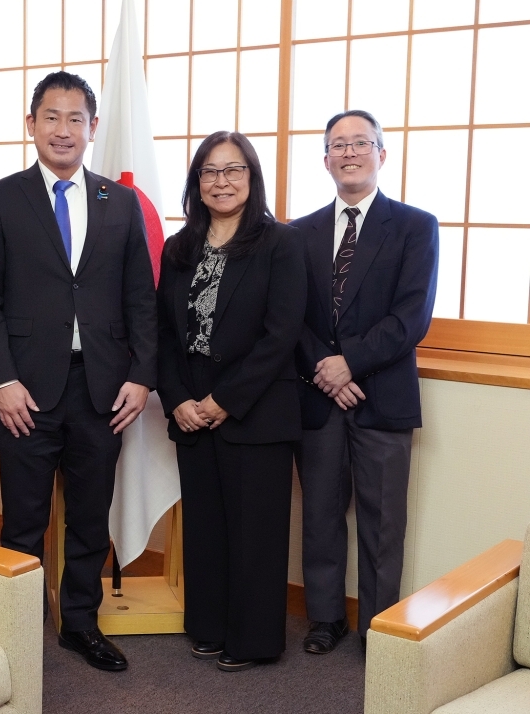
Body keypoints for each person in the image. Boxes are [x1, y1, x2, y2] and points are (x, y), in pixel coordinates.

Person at [0, 71, 157, 671]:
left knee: (88, 517)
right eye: (50, 117)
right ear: (31, 125)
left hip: (103, 388)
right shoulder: (0, 197)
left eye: (76, 118)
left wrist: (141, 376)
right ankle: (15, 630)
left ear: (93, 128)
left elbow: (140, 299)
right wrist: (0, 379)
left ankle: (81, 623)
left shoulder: (119, 202)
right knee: (23, 520)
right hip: (24, 388)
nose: (63, 129)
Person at [156, 131, 306, 672]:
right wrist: (177, 398)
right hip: (190, 407)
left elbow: (281, 333)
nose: (221, 181)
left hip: (256, 407)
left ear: (251, 177)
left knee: (256, 531)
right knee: (206, 525)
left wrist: (224, 399)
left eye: (233, 170)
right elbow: (163, 334)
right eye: (210, 172)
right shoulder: (180, 247)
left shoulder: (279, 243)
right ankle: (209, 626)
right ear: (196, 182)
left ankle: (254, 640)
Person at [293, 109, 438, 654]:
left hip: (383, 397)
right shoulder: (299, 233)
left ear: (382, 153)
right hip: (317, 398)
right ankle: (325, 619)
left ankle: (377, 627)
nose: (349, 152)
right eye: (338, 145)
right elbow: (291, 319)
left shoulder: (415, 226)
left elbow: (411, 317)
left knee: (383, 525)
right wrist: (324, 371)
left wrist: (348, 363)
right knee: (321, 516)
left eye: (361, 143)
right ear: (325, 159)